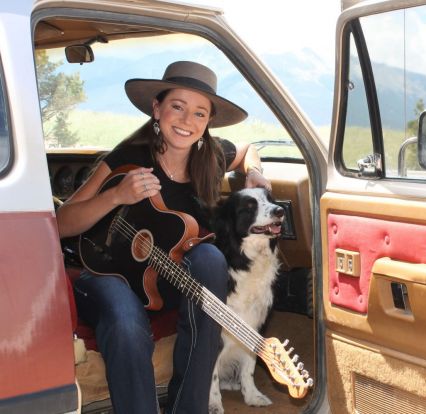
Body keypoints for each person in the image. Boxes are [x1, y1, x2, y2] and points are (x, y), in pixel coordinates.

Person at [56, 61, 270, 414]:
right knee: (125, 320)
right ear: (157, 109)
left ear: (208, 122)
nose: (187, 121)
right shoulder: (129, 158)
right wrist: (116, 196)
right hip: (105, 272)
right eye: (177, 107)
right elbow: (62, 223)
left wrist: (256, 173)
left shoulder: (210, 157)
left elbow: (248, 151)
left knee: (210, 258)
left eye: (199, 113)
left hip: (162, 278)